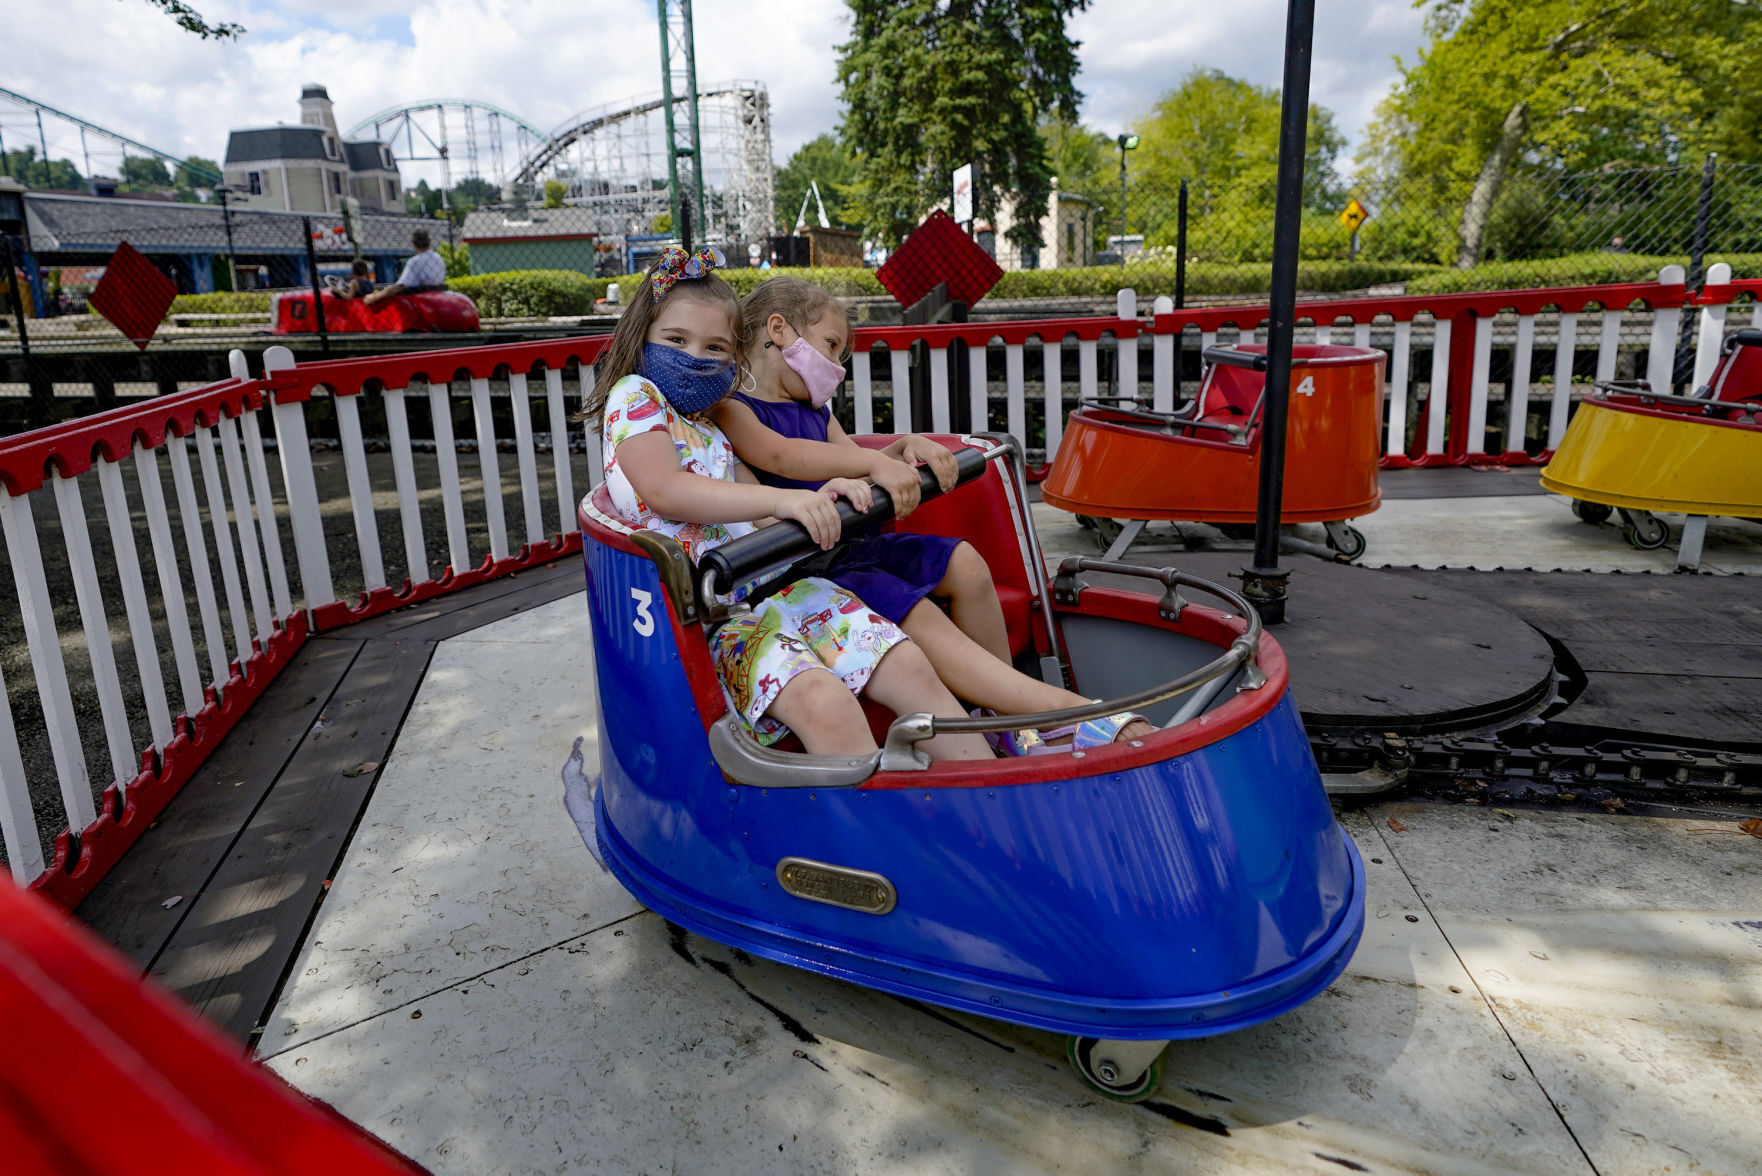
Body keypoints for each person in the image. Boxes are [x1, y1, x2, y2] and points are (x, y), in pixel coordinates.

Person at [587, 245, 992, 761]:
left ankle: (992, 798)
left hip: (768, 587)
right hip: (709, 617)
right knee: (826, 702)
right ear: (643, 337)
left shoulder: (710, 425)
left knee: (906, 663)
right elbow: (666, 488)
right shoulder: (636, 396)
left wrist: (817, 499)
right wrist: (784, 498)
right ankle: (876, 833)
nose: (695, 357)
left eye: (715, 347)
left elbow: (754, 513)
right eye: (676, 340)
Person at [716, 276, 1153, 748]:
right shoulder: (734, 409)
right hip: (804, 566)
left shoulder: (818, 411)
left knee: (964, 563)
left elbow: (854, 464)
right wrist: (873, 461)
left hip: (851, 545)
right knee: (914, 609)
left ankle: (1007, 718)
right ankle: (1053, 712)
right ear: (778, 330)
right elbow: (783, 456)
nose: (837, 367)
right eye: (831, 345)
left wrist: (902, 450)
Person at [364, 228, 445, 307]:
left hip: (418, 302)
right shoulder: (438, 257)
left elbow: (400, 286)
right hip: (438, 297)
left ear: (413, 243)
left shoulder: (415, 261)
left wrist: (376, 296)